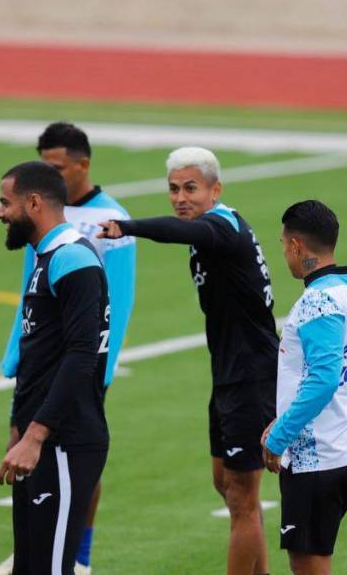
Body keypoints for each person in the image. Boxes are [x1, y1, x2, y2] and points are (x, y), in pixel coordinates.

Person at [99, 147, 276, 575]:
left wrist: (125, 227)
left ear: (216, 190)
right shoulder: (209, 228)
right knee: (228, 486)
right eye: (174, 189)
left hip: (251, 376)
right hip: (230, 373)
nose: (181, 198)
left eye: (191, 188)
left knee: (242, 497)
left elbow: (174, 233)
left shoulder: (220, 227)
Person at [0, 122, 135, 575]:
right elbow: (39, 347)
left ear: (33, 203)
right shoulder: (48, 255)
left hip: (64, 440)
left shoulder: (73, 256)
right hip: (43, 433)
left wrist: (35, 435)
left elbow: (81, 353)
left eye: (5, 203)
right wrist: (22, 419)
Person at [260, 200, 347, 575]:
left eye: (282, 244)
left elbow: (322, 380)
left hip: (317, 456)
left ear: (295, 246)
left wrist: (279, 437)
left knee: (308, 562)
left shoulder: (319, 301)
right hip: (344, 445)